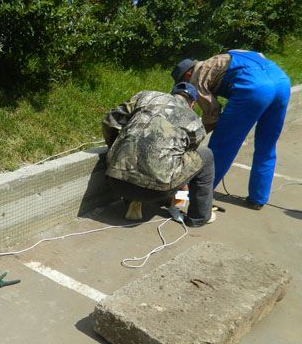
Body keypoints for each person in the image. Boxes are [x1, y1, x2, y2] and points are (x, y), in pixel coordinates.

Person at [172, 51, 291, 209]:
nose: (187, 89)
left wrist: (191, 142)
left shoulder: (197, 75)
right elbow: (259, 55)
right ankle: (258, 198)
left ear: (188, 74)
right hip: (282, 82)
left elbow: (212, 116)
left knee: (221, 145)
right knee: (267, 145)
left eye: (184, 83)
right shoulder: (224, 57)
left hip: (255, 88)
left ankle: (198, 197)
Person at [102, 82, 215, 227]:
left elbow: (109, 121)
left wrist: (114, 149)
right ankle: (199, 217)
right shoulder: (194, 121)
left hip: (116, 182)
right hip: (155, 191)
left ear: (171, 93)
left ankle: (133, 200)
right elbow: (186, 156)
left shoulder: (146, 96)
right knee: (206, 155)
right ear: (192, 104)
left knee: (134, 151)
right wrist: (182, 187)